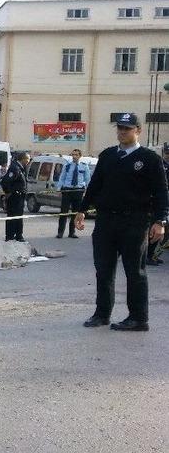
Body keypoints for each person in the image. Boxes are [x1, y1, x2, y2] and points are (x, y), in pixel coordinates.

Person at [76, 113, 168, 331]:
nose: (122, 132)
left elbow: (161, 192)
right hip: (106, 221)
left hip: (134, 222)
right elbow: (95, 185)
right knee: (103, 269)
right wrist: (81, 210)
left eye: (127, 128)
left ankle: (138, 318)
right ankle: (102, 313)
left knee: (134, 271)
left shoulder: (149, 159)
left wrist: (160, 221)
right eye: (119, 128)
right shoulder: (108, 156)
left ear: (138, 131)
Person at [56, 149, 91, 239]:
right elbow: (62, 178)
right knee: (63, 212)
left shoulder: (84, 166)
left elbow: (87, 179)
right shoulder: (67, 166)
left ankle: (72, 232)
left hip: (78, 191)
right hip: (67, 190)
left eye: (76, 155)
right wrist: (59, 189)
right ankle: (60, 232)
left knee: (76, 213)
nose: (74, 156)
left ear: (80, 156)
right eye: (73, 155)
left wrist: (88, 191)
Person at [146, 143, 169, 265]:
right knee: (154, 230)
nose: (168, 155)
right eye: (167, 153)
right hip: (156, 203)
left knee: (163, 232)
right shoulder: (160, 165)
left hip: (165, 201)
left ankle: (153, 254)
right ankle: (148, 255)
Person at [1, 151, 30, 242]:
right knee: (13, 216)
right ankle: (10, 236)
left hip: (20, 196)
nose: (28, 161)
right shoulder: (15, 168)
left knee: (18, 216)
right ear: (23, 159)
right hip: (15, 197)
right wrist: (9, 192)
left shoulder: (21, 168)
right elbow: (5, 182)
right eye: (28, 159)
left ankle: (18, 235)